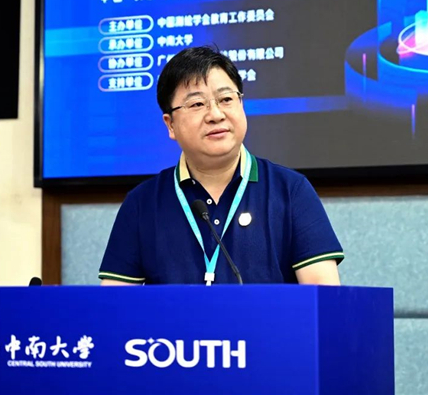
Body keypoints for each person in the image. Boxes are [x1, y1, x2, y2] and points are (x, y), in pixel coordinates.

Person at [99, 46, 343, 286]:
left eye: (226, 99)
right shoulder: (141, 204)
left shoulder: (291, 191)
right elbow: (114, 303)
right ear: (170, 124)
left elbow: (323, 297)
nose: (215, 114)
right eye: (197, 104)